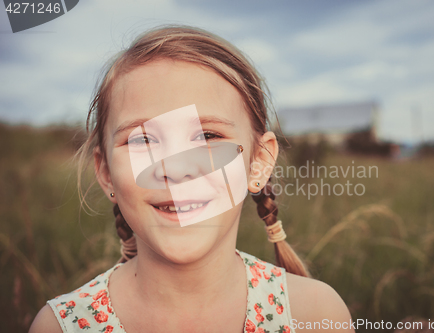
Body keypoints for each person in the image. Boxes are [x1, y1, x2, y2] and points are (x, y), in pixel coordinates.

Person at [29, 25, 353, 333]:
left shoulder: (316, 315)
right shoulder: (60, 326)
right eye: (143, 140)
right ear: (105, 172)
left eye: (208, 135)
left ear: (258, 163)